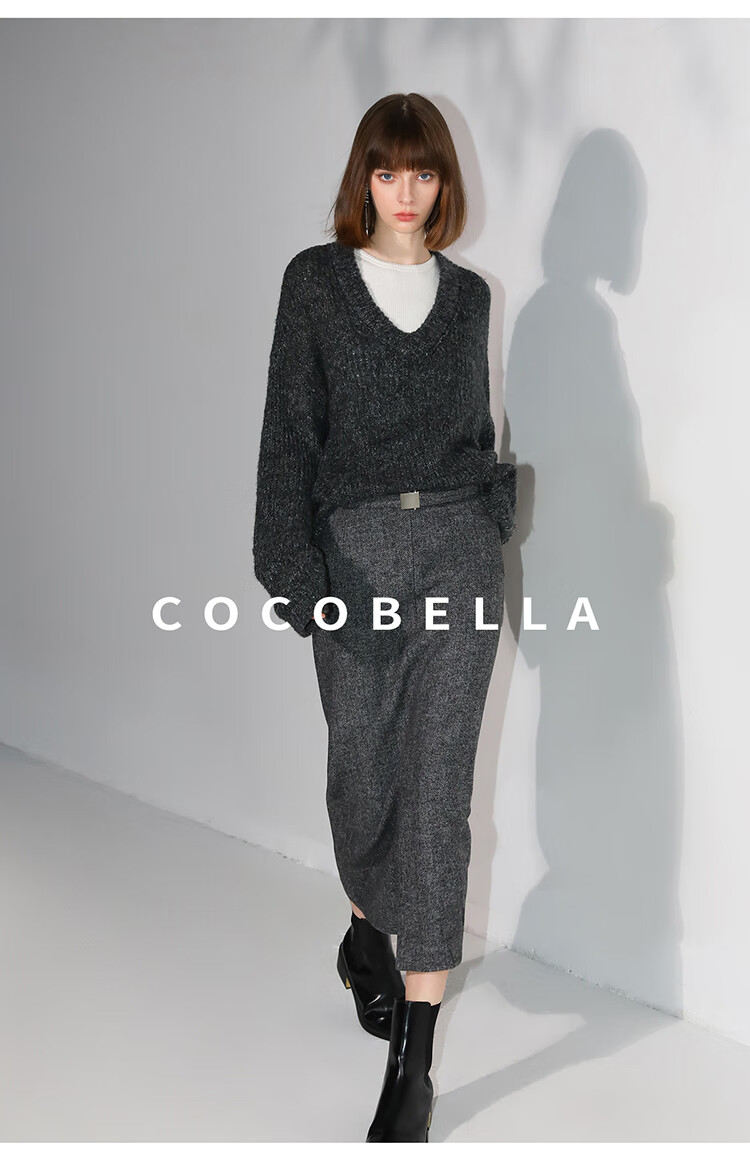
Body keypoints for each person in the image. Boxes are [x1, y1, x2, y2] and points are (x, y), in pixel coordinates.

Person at [253, 92, 517, 1143]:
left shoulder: (470, 298)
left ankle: (415, 1058)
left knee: (440, 792)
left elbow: (475, 432)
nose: (406, 192)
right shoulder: (315, 284)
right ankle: (365, 930)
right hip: (355, 562)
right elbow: (289, 436)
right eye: (387, 171)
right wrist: (296, 571)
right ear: (363, 178)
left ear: (444, 182)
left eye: (425, 172)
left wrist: (490, 519)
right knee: (363, 779)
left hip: (458, 554)